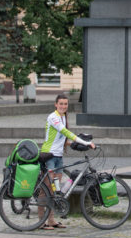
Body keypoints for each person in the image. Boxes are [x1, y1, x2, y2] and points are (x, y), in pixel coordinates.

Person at [38, 94, 95, 230]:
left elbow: (62, 138)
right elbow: (65, 132)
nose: (63, 106)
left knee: (54, 191)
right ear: (56, 104)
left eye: (65, 104)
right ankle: (41, 221)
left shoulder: (63, 117)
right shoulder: (53, 117)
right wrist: (85, 142)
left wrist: (75, 145)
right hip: (49, 156)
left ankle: (51, 220)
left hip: (58, 157)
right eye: (61, 104)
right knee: (46, 190)